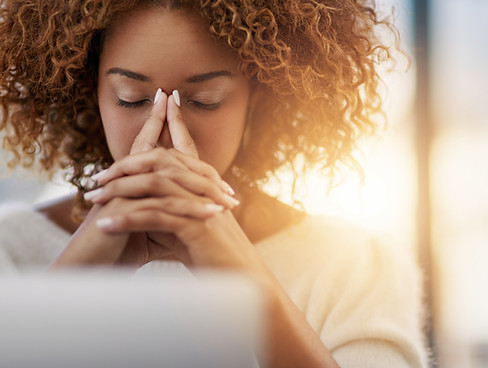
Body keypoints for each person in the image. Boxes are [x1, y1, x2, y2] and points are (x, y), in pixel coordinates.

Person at [0, 0, 428, 367]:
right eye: (131, 97)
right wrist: (72, 280)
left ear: (257, 97)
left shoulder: (354, 266)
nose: (165, 131)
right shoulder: (10, 249)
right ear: (89, 90)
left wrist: (244, 276)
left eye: (205, 101)